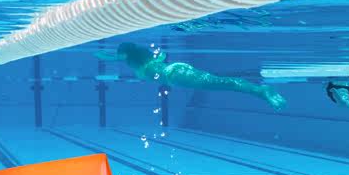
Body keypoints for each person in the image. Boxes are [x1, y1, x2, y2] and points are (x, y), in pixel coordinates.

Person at [97, 43, 286, 110]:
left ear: (126, 55)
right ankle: (260, 91)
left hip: (176, 75)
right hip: (177, 71)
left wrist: (104, 54)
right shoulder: (147, 60)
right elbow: (161, 56)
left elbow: (110, 56)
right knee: (221, 83)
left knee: (223, 83)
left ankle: (262, 91)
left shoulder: (136, 62)